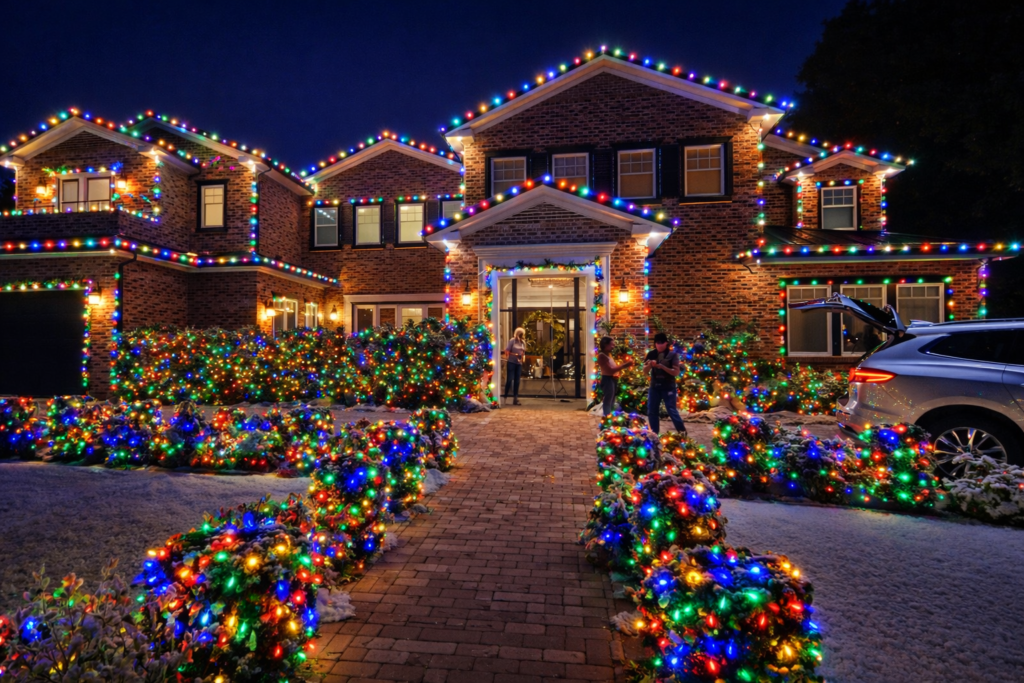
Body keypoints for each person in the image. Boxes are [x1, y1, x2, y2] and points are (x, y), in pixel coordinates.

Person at [643, 332, 686, 434]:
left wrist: (662, 366)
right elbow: (644, 371)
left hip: (668, 386)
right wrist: (650, 365)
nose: (659, 345)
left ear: (666, 343)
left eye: (661, 342)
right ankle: (654, 434)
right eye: (657, 343)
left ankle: (682, 431)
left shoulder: (672, 355)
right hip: (654, 386)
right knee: (652, 411)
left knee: (671, 410)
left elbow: (676, 372)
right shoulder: (651, 354)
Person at [597, 336, 635, 416]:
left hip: (612, 379)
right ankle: (607, 418)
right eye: (611, 345)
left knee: (612, 401)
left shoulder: (608, 354)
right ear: (605, 345)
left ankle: (610, 417)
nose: (613, 347)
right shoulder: (602, 356)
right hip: (607, 379)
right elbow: (610, 370)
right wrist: (624, 365)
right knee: (608, 401)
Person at [503, 327, 527, 405]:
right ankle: (505, 397)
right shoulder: (512, 341)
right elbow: (507, 350)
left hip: (519, 363)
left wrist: (522, 356)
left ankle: (515, 398)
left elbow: (523, 351)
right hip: (512, 362)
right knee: (510, 379)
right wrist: (514, 354)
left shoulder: (523, 342)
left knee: (517, 381)